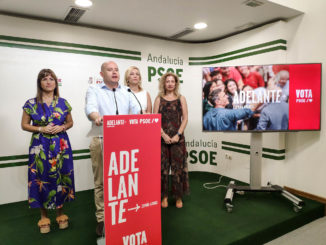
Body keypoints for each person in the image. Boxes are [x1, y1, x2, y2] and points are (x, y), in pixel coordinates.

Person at [85, 61, 140, 236]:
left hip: (125, 142)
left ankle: (124, 215)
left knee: (124, 181)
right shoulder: (94, 90)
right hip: (101, 139)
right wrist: (97, 117)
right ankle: (102, 219)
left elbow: (136, 110)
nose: (114, 72)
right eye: (110, 70)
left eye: (116, 69)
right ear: (102, 74)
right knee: (101, 182)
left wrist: (141, 115)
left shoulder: (127, 91)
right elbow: (90, 109)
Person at [21, 69, 74, 233]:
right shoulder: (31, 103)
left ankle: (61, 213)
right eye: (44, 79)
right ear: (39, 83)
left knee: (61, 176)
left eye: (51, 79)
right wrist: (41, 128)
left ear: (56, 82)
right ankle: (43, 216)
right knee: (40, 177)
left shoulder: (63, 102)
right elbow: (24, 125)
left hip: (61, 145)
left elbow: (70, 122)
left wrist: (63, 126)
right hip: (40, 145)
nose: (48, 82)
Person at [153, 72, 189, 209]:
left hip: (178, 139)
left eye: (172, 81)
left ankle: (178, 197)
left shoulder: (181, 98)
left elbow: (185, 118)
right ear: (164, 83)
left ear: (176, 83)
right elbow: (154, 120)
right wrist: (163, 135)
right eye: (167, 81)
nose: (169, 83)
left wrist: (178, 135)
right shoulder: (158, 99)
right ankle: (164, 196)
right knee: (162, 169)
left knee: (177, 168)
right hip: (161, 139)